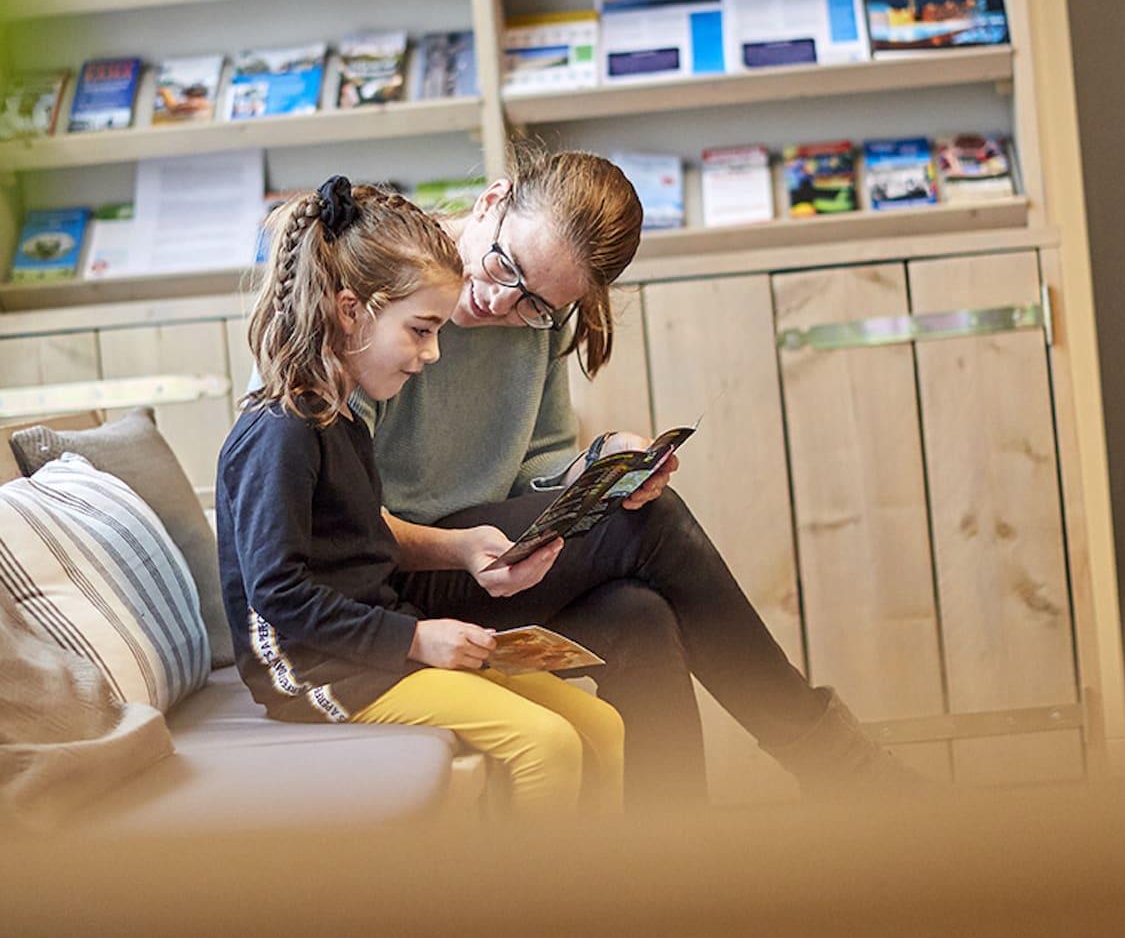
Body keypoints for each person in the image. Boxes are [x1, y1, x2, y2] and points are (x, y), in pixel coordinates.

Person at [364, 148, 908, 806]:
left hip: (489, 564)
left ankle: (673, 862)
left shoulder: (540, 316)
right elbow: (328, 514)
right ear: (491, 202)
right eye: (506, 264)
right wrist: (461, 547)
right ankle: (838, 764)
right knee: (652, 520)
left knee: (640, 619)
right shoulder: (386, 286)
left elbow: (533, 464)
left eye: (535, 303)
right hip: (386, 579)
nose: (500, 299)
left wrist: (599, 462)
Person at [215, 176, 623, 815]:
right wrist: (413, 640)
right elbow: (280, 594)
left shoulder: (342, 420)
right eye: (421, 330)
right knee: (546, 744)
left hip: (378, 643)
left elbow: (363, 548)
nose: (432, 353)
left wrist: (450, 574)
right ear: (351, 311)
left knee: (602, 725)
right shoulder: (279, 433)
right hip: (315, 671)